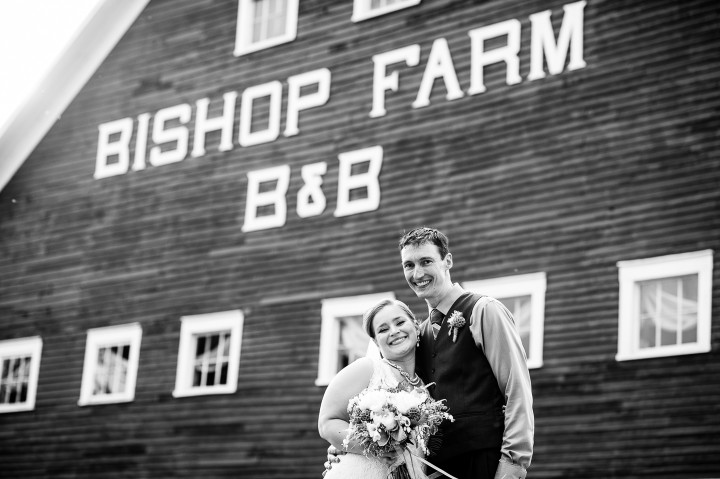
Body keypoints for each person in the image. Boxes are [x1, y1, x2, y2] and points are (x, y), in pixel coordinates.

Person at [326, 227, 534, 479]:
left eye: (426, 261)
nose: (418, 273)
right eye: (409, 265)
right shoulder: (418, 335)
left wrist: (513, 465)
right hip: (435, 471)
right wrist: (356, 444)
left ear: (448, 261)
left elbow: (517, 390)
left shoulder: (484, 310)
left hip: (485, 462)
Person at [318, 299, 431, 479]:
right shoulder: (367, 369)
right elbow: (327, 423)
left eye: (400, 322)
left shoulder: (425, 385)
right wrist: (373, 447)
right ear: (376, 342)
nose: (394, 331)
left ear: (416, 327)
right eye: (383, 329)